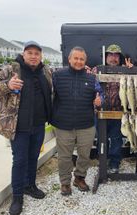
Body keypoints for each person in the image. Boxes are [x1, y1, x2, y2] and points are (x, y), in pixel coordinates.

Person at [0, 41, 52, 215]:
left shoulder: (45, 72)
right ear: (24, 54)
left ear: (40, 56)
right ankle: (17, 197)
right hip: (18, 126)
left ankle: (29, 185)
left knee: (33, 157)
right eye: (29, 52)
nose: (33, 56)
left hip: (38, 124)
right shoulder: (11, 69)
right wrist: (8, 85)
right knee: (20, 160)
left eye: (37, 53)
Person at [51, 46, 102, 195]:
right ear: (69, 59)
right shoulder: (57, 76)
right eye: (76, 58)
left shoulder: (92, 78)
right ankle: (65, 182)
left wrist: (100, 100)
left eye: (82, 59)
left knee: (84, 154)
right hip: (63, 124)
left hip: (86, 124)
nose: (78, 61)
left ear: (85, 61)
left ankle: (79, 177)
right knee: (64, 156)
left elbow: (100, 95)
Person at [92, 44, 126, 173]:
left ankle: (115, 163)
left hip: (117, 112)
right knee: (101, 138)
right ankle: (102, 161)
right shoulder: (97, 70)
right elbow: (89, 85)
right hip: (100, 112)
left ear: (120, 57)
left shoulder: (125, 70)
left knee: (116, 138)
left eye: (116, 55)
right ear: (106, 57)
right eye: (110, 55)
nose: (113, 58)